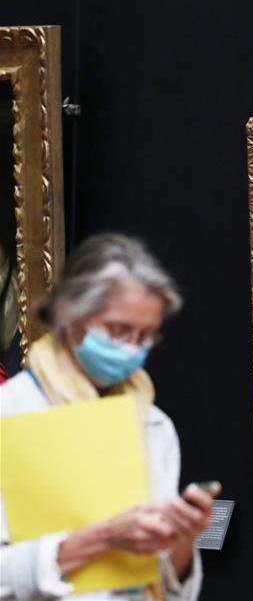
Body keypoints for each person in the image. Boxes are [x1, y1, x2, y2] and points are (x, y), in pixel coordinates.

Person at [0, 234, 219, 600]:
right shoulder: (11, 413)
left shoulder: (154, 424)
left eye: (145, 336)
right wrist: (103, 538)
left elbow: (169, 587)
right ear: (69, 314)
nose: (131, 349)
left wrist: (182, 540)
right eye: (118, 330)